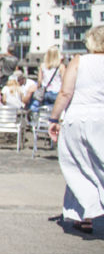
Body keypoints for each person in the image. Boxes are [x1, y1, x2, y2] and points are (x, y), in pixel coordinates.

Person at [48, 25, 104, 234]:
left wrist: (54, 118)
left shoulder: (80, 61)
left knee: (78, 165)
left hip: (79, 118)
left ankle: (87, 213)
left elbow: (65, 93)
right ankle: (86, 214)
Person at [31, 46, 65, 114]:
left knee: (46, 112)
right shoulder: (61, 66)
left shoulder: (42, 66)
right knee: (57, 113)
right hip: (57, 93)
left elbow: (39, 81)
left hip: (46, 92)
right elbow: (64, 81)